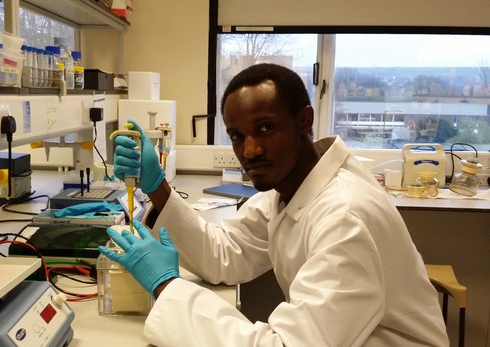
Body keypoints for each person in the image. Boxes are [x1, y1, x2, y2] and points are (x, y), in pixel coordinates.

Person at [99, 63, 449, 346]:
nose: (249, 150)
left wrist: (165, 285)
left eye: (265, 128)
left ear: (304, 121)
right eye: (237, 135)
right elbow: (224, 255)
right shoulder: (290, 188)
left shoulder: (345, 216)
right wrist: (156, 184)